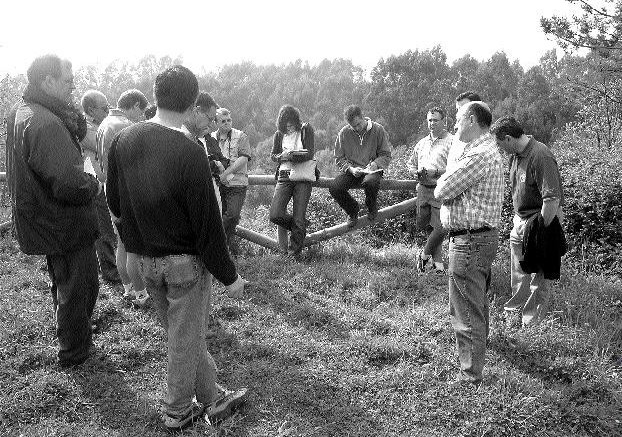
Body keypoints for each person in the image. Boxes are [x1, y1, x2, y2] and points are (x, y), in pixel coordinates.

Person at [106, 65, 248, 430]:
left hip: (147, 262)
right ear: (191, 102)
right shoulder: (189, 151)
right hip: (185, 265)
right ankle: (177, 411)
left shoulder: (124, 140)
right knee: (183, 341)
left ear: (155, 95)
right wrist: (229, 276)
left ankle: (213, 396)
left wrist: (136, 245)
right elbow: (207, 225)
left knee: (182, 334)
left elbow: (116, 203)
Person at [6, 54, 100, 367]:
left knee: (63, 281)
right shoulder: (45, 122)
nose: (73, 88)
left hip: (44, 217)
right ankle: (74, 350)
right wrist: (93, 184)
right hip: (63, 222)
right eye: (68, 82)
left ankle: (73, 333)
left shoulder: (22, 112)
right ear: (47, 81)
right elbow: (69, 184)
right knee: (79, 286)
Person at [434, 101, 504, 385]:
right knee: (475, 304)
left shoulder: (478, 155)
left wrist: (448, 172)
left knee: (464, 309)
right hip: (477, 239)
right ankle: (475, 365)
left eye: (459, 120)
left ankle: (471, 376)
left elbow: (442, 189)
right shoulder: (483, 151)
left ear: (473, 120)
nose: (455, 126)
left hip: (469, 241)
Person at [491, 116, 565, 327]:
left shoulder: (541, 155)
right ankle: (513, 316)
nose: (499, 149)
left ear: (507, 138)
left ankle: (531, 323)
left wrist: (541, 231)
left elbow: (552, 198)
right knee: (519, 274)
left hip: (540, 221)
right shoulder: (515, 156)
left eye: (499, 144)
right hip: (520, 221)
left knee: (539, 278)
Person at [96, 89, 149, 304]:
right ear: (135, 105)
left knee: (122, 243)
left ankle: (128, 288)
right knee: (134, 246)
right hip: (127, 191)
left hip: (110, 189)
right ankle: (141, 293)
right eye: (142, 111)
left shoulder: (103, 124)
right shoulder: (126, 126)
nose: (143, 116)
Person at [80, 90, 120, 284]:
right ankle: (110, 270)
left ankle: (107, 266)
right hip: (95, 184)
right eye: (104, 108)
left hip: (104, 182)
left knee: (107, 226)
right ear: (91, 110)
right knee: (103, 227)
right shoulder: (85, 128)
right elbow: (107, 144)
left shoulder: (99, 126)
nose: (108, 110)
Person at [407, 107, 453, 273]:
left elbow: (456, 168)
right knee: (428, 226)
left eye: (435, 120)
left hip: (442, 189)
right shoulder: (422, 143)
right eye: (429, 120)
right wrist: (416, 172)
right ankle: (438, 265)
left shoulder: (452, 142)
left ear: (444, 121)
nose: (432, 123)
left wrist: (437, 172)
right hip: (423, 189)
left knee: (441, 227)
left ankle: (424, 255)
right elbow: (411, 164)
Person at [329, 105, 392, 227]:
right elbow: (338, 158)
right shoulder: (344, 133)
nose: (357, 128)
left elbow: (386, 155)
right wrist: (351, 169)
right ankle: (353, 210)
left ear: (363, 117)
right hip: (353, 171)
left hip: (373, 170)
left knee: (370, 182)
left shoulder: (378, 129)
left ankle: (372, 207)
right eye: (353, 126)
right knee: (334, 188)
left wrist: (375, 164)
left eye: (358, 124)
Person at [269, 105, 316, 258]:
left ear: (296, 121)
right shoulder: (279, 134)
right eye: (285, 125)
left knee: (298, 216)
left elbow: (310, 153)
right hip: (283, 175)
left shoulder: (306, 129)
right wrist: (281, 157)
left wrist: (291, 156)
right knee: (275, 214)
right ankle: (301, 227)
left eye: (291, 124)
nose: (288, 128)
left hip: (302, 176)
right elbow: (273, 155)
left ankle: (293, 255)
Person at [211, 108, 252, 254]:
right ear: (216, 122)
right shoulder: (210, 138)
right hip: (218, 185)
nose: (227, 123)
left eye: (229, 120)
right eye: (223, 121)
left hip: (237, 185)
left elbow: (243, 159)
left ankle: (217, 246)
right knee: (218, 217)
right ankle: (223, 251)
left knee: (232, 216)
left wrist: (226, 173)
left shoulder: (240, 136)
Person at [447, 92, 483, 168]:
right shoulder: (456, 139)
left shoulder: (481, 143)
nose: (458, 114)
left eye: (463, 109)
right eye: (457, 110)